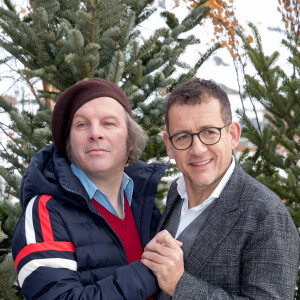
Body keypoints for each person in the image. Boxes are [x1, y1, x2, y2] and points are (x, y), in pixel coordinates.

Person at [141, 78, 300, 299]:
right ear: (169, 145)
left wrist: (180, 285)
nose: (197, 149)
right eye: (183, 136)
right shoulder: (176, 193)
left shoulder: (267, 215)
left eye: (209, 132)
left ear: (233, 135)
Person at [12, 78, 166, 299]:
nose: (95, 133)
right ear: (69, 145)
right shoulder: (45, 212)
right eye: (82, 124)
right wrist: (150, 272)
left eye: (108, 123)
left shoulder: (143, 204)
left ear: (130, 141)